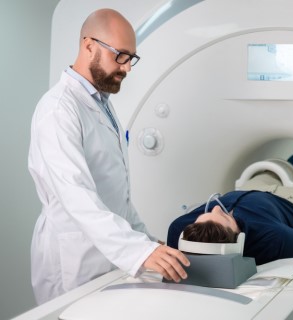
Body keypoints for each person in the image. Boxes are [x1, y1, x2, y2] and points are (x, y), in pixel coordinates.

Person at [28, 8, 189, 304]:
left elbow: (117, 194)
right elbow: (78, 197)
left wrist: (148, 241)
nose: (127, 68)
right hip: (72, 263)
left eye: (131, 58)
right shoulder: (58, 110)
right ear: (88, 46)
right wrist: (139, 251)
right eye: (121, 55)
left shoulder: (101, 103)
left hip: (107, 255)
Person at [167, 164, 293, 266]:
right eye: (226, 218)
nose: (217, 208)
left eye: (206, 213)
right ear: (238, 239)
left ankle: (290, 162)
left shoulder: (179, 230)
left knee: (272, 168)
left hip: (248, 190)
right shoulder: (272, 239)